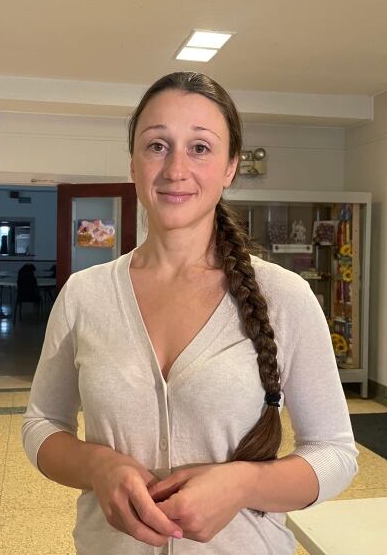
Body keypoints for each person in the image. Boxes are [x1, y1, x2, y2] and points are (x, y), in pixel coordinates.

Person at [22, 72, 358, 554]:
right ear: (134, 164)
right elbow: (41, 425)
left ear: (230, 167)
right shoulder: (85, 295)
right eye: (157, 145)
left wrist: (243, 484)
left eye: (200, 147)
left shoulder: (285, 297)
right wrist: (97, 467)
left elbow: (335, 453)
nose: (176, 168)